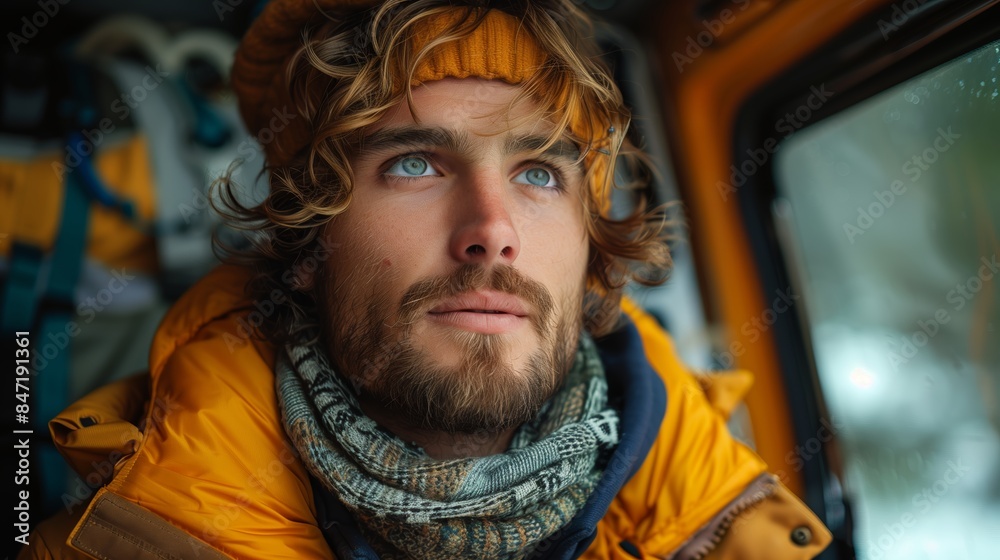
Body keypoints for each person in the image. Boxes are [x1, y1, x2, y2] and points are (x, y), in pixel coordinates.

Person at [23, 0, 832, 558]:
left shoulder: (725, 522)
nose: (491, 232)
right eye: (415, 163)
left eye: (541, 174)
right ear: (309, 241)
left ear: (591, 243)